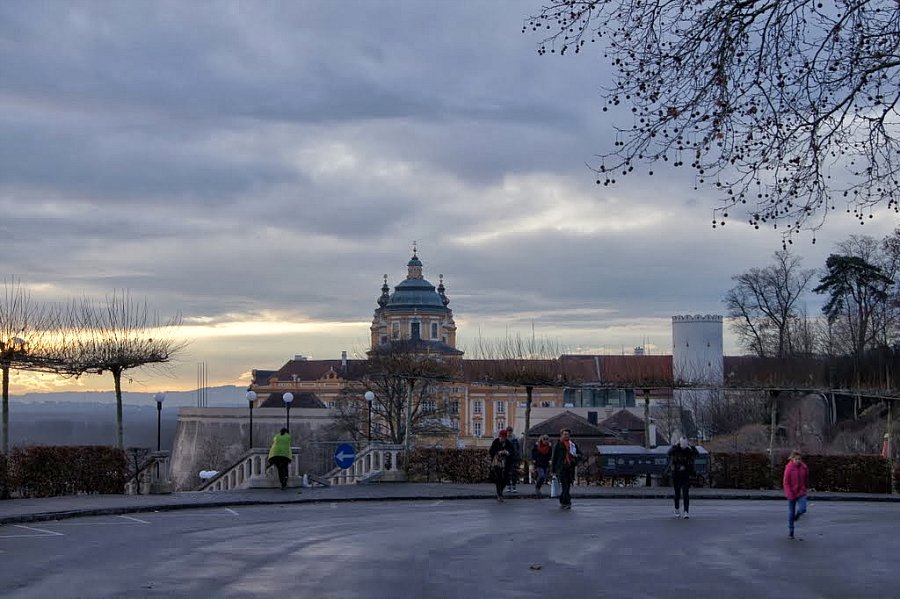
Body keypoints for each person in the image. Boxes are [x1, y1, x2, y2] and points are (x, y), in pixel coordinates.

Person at [550, 428, 582, 510]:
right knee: (565, 485)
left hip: (570, 467)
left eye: (567, 434)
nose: (566, 436)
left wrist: (576, 458)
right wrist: (553, 470)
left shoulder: (572, 445)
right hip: (561, 467)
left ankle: (562, 500)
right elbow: (555, 458)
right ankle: (567, 502)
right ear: (561, 435)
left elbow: (580, 454)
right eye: (564, 434)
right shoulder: (558, 444)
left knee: (567, 485)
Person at [667, 437, 699, 519]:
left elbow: (696, 454)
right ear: (680, 443)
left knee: (685, 494)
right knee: (677, 494)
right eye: (682, 444)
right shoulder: (676, 449)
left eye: (685, 444)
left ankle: (686, 511)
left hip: (685, 474)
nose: (684, 446)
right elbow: (669, 453)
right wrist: (674, 446)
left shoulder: (688, 450)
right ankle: (677, 509)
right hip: (676, 474)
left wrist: (693, 446)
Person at [783, 450, 809, 540]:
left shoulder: (804, 468)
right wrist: (789, 493)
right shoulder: (789, 468)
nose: (798, 461)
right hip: (792, 492)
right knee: (791, 512)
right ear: (792, 459)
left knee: (803, 508)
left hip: (801, 492)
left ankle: (798, 514)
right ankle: (791, 531)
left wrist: (805, 487)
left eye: (799, 459)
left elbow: (806, 478)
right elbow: (786, 483)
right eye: (796, 459)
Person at [489, 429, 513, 502]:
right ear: (499, 436)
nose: (502, 439)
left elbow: (512, 452)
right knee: (498, 479)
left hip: (506, 464)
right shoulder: (496, 442)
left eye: (504, 437)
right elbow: (491, 451)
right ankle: (499, 494)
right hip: (497, 464)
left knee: (505, 480)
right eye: (501, 437)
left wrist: (507, 452)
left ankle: (500, 492)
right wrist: (498, 452)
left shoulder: (508, 443)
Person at [506, 426, 521, 493]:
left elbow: (518, 449)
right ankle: (509, 486)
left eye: (510, 431)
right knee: (507, 473)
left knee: (513, 473)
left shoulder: (515, 439)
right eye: (508, 431)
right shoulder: (505, 440)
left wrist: (517, 457)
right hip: (507, 458)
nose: (509, 433)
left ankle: (514, 486)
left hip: (513, 458)